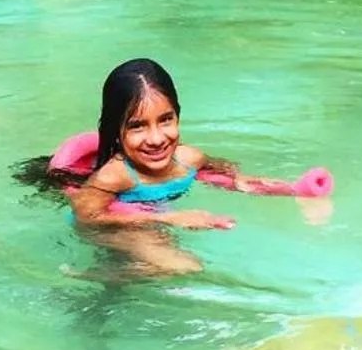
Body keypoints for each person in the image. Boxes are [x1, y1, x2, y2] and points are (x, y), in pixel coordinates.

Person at [65, 58, 247, 277]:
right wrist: (167, 218)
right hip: (117, 228)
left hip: (151, 219)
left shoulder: (189, 157)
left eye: (165, 120)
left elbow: (218, 168)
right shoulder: (116, 176)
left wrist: (239, 179)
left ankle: (120, 275)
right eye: (137, 126)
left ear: (178, 116)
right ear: (115, 130)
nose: (156, 138)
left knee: (180, 262)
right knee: (186, 266)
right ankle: (107, 274)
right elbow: (86, 217)